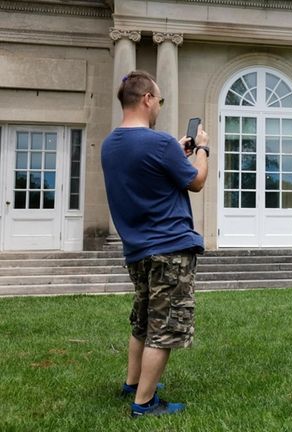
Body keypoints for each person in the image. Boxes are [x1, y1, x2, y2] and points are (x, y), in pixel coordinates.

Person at [101, 70, 209, 417]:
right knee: (165, 328)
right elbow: (196, 181)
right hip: (170, 248)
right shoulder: (158, 143)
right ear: (147, 98)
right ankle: (144, 403)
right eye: (159, 100)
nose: (159, 106)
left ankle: (133, 382)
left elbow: (145, 171)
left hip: (137, 250)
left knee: (144, 322)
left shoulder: (110, 144)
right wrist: (202, 149)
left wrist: (175, 151)